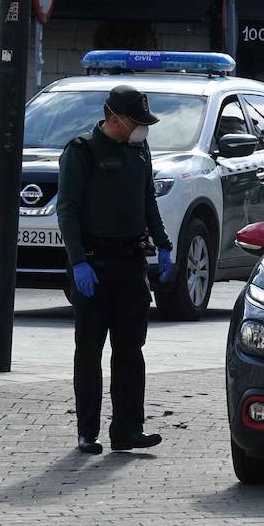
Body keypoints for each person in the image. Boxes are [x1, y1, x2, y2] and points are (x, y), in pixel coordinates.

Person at [56, 85, 174, 455]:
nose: (142, 129)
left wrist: (164, 243)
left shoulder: (139, 151)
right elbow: (68, 210)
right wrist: (77, 261)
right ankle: (86, 431)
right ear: (116, 119)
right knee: (88, 351)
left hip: (130, 263)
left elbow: (147, 201)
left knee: (130, 349)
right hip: (94, 263)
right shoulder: (82, 152)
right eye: (136, 122)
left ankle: (127, 429)